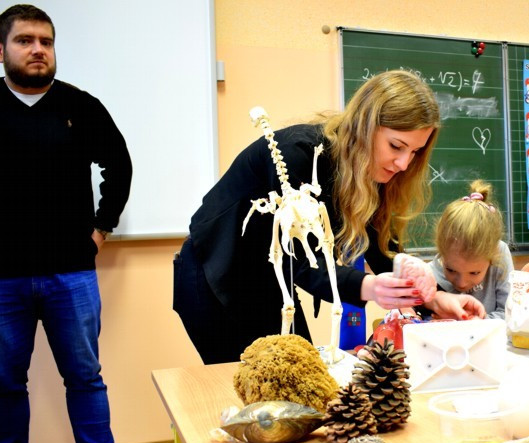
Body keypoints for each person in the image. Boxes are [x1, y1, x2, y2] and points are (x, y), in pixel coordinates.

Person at [174, 70, 485, 365]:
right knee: (256, 391)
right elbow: (300, 259)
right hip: (214, 278)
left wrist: (436, 299)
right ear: (366, 126)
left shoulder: (372, 173)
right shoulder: (297, 154)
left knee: (299, 387)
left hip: (273, 284)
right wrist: (368, 286)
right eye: (396, 146)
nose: (404, 163)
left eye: (414, 152)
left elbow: (381, 250)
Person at [0, 4, 133, 443]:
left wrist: (102, 227)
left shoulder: (80, 106)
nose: (37, 50)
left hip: (70, 272)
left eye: (45, 41)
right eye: (25, 40)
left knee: (85, 376)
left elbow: (118, 163)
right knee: (3, 381)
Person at [430, 180, 513, 319]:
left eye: (474, 272)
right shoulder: (429, 276)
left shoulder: (499, 252)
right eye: (450, 270)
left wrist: (478, 324)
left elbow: (510, 314)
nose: (461, 283)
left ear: (494, 255)